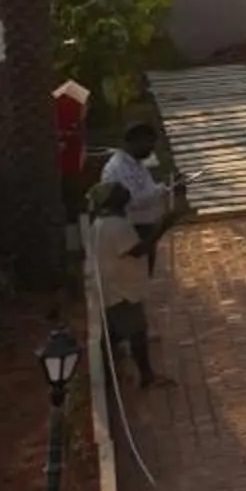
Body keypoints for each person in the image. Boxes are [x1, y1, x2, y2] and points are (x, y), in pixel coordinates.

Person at [90, 183, 162, 388]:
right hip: (121, 291)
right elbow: (138, 250)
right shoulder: (116, 225)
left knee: (112, 335)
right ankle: (146, 375)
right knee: (137, 332)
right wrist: (162, 227)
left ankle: (110, 379)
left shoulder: (101, 222)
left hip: (111, 287)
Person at [100, 121, 175, 271]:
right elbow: (133, 199)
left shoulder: (137, 163)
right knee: (134, 273)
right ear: (134, 142)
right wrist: (162, 189)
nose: (151, 149)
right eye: (148, 144)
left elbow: (147, 188)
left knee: (145, 274)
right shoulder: (118, 168)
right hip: (131, 228)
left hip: (146, 225)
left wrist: (167, 186)